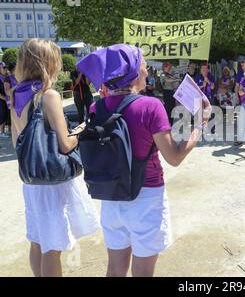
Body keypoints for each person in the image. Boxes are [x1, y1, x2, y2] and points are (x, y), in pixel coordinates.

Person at [77, 43, 211, 277]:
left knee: (115, 270)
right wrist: (199, 125)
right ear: (132, 73)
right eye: (144, 67)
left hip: (111, 195)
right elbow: (175, 157)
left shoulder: (95, 107)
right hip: (146, 197)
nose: (148, 72)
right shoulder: (151, 106)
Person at [10, 38, 99, 277]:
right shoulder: (48, 95)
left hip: (31, 180)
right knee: (54, 246)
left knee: (38, 240)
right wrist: (80, 131)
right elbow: (65, 143)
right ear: (47, 63)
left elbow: (16, 142)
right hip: (52, 180)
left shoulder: (16, 94)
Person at [0, 62, 9, 137]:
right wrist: (5, 99)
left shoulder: (6, 77)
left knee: (6, 114)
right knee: (2, 115)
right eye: (4, 67)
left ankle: (5, 131)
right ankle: (1, 132)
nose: (5, 69)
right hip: (1, 100)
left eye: (6, 67)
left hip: (6, 99)